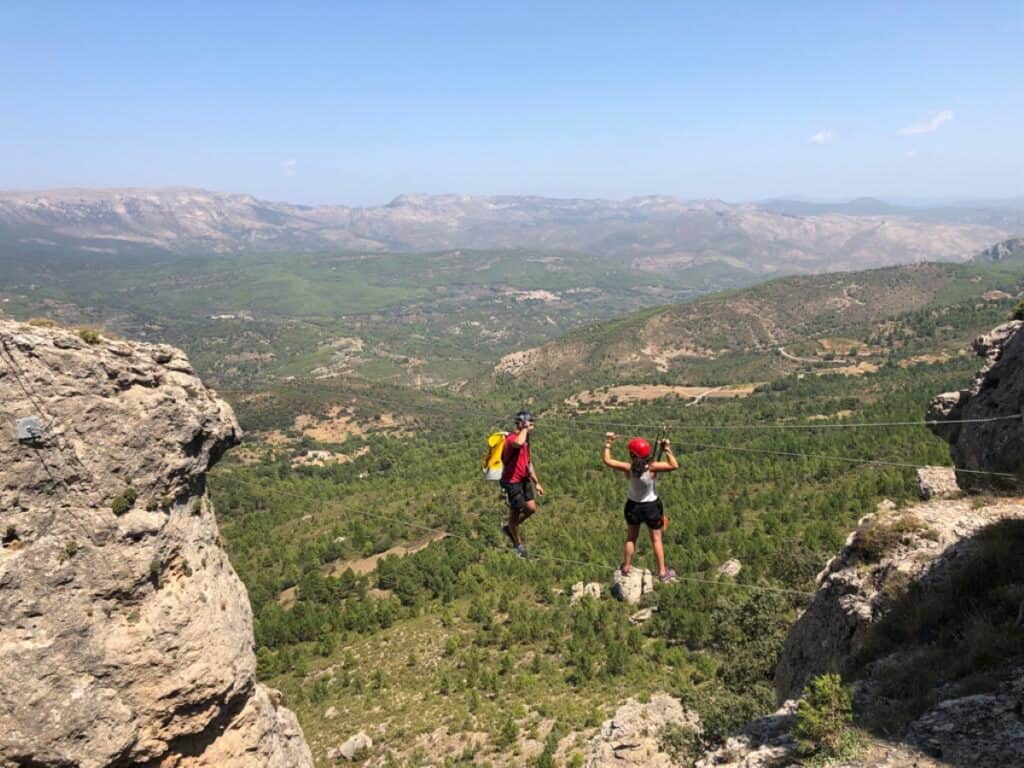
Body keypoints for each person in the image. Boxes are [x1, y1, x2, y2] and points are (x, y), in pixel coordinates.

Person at [602, 432, 678, 583]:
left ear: (632, 454)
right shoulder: (652, 468)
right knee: (656, 540)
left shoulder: (628, 468)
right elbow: (674, 465)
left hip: (633, 506)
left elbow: (607, 460)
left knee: (631, 538)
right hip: (651, 507)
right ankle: (662, 572)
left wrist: (608, 442)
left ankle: (626, 567)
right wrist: (667, 449)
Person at [500, 411, 544, 557]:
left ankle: (510, 527)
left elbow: (528, 464)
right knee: (516, 511)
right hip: (512, 482)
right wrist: (524, 428)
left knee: (531, 509)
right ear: (521, 424)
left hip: (523, 479)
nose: (532, 426)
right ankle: (517, 545)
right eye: (529, 423)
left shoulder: (526, 441)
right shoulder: (512, 439)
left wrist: (537, 483)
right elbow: (517, 443)